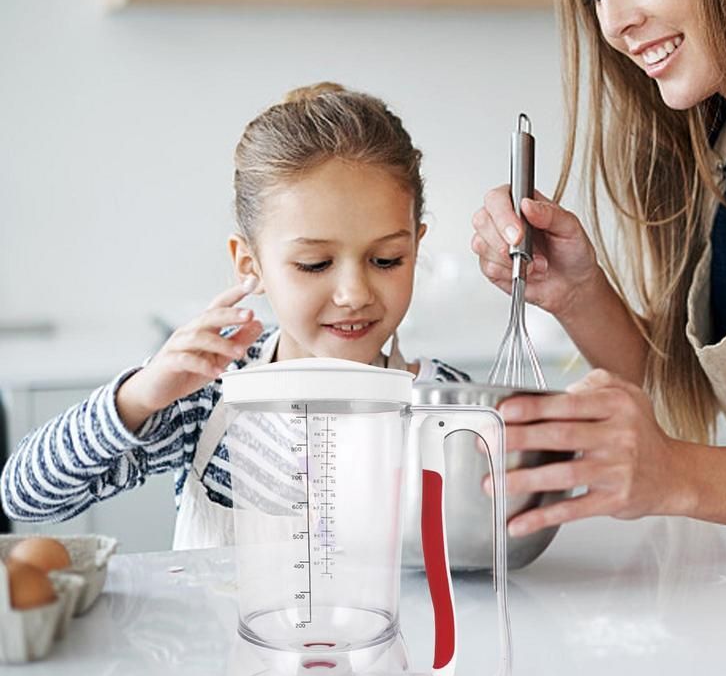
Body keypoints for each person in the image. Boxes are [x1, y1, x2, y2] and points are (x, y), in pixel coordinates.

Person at [0, 82, 469, 549]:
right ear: (251, 265)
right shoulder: (210, 395)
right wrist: (138, 398)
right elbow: (26, 497)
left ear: (416, 246)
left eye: (386, 259)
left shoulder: (448, 407)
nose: (353, 294)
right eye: (314, 264)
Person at [472, 0, 726, 538]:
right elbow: (679, 392)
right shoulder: (711, 151)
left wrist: (677, 473)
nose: (613, 22)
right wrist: (577, 294)